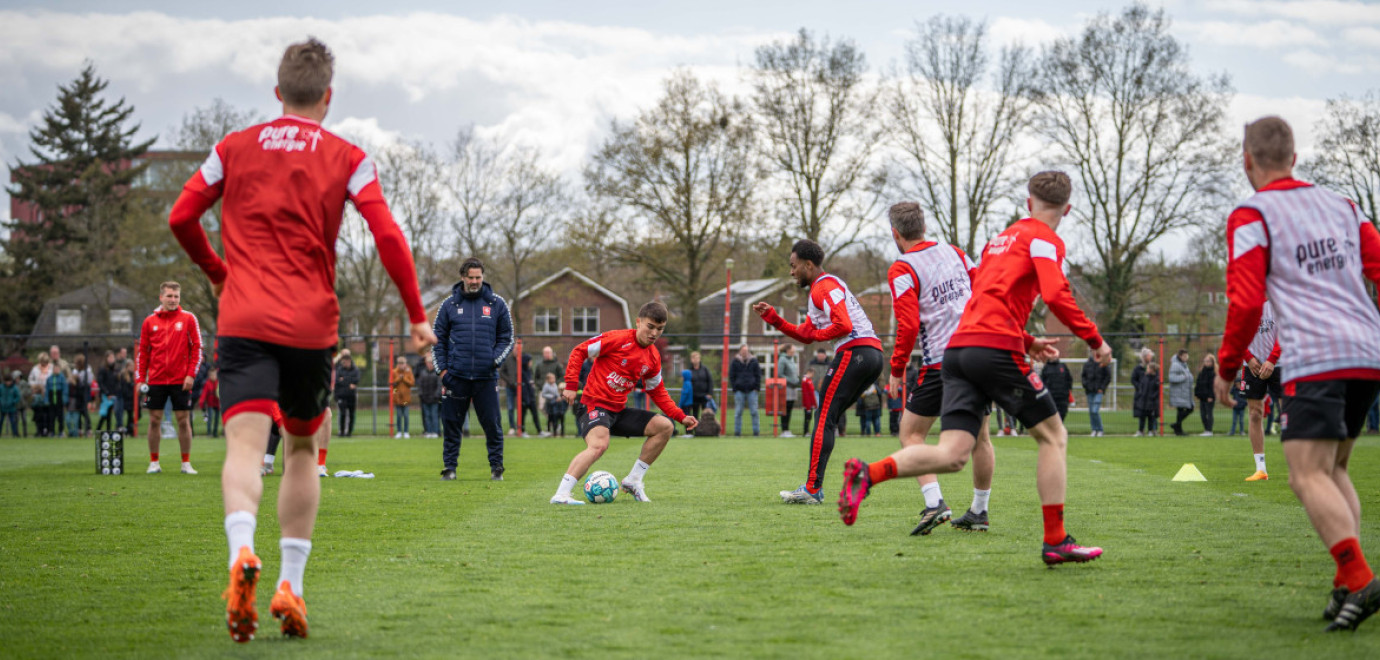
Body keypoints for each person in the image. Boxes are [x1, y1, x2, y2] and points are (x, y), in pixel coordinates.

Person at [167, 37, 433, 642]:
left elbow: (181, 216)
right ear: (329, 97)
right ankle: (291, 584)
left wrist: (215, 270)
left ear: (278, 92)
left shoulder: (232, 148)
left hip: (244, 317)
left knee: (243, 446)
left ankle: (241, 551)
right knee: (303, 450)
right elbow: (388, 235)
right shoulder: (348, 155)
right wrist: (416, 315)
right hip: (312, 325)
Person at [840, 171, 1111, 566]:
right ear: (1067, 209)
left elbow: (984, 298)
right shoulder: (1043, 239)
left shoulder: (999, 242)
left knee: (952, 453)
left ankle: (867, 474)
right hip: (993, 349)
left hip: (958, 352)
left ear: (1027, 201)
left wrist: (1028, 340)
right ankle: (1055, 540)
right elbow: (1054, 293)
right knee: (1053, 437)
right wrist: (1094, 339)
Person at [1213, 116, 1380, 631]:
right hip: (1367, 351)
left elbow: (1244, 302)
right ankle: (1343, 583)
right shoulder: (1345, 206)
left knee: (1306, 475)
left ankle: (1361, 579)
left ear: (1247, 160)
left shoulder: (1252, 214)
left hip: (1315, 357)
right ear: (1295, 158)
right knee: (1333, 472)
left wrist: (1226, 367)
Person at [838, 200, 994, 533]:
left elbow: (907, 326)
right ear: (923, 225)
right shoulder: (956, 253)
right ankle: (979, 511)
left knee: (910, 433)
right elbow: (984, 292)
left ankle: (934, 502)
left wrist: (896, 370)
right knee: (981, 437)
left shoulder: (903, 268)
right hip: (979, 353)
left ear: (895, 233)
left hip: (943, 363)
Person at [752, 238, 884, 504]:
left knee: (823, 417)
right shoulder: (822, 288)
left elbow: (844, 326)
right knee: (827, 417)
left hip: (855, 352)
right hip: (872, 355)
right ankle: (815, 487)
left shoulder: (823, 287)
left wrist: (824, 336)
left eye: (793, 266)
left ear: (808, 265)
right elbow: (805, 335)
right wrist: (775, 320)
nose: (791, 272)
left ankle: (812, 489)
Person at [549, 301, 698, 504]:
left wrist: (680, 416)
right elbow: (579, 351)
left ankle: (633, 481)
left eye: (660, 329)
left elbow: (657, 391)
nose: (654, 333)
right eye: (650, 326)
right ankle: (562, 494)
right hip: (593, 405)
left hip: (617, 411)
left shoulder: (653, 357)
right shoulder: (617, 339)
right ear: (638, 322)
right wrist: (571, 384)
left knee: (664, 427)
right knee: (599, 445)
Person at [433, 257, 513, 482]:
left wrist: (494, 360)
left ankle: (496, 468)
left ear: (483, 277)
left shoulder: (497, 304)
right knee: (451, 426)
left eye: (479, 277)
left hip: (486, 378)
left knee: (493, 425)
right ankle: (449, 468)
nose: (475, 281)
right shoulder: (449, 305)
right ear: (463, 278)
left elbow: (507, 337)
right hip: (455, 378)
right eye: (471, 277)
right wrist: (443, 372)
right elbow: (436, 340)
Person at [136, 282, 204, 474]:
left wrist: (191, 374)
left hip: (180, 380)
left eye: (176, 296)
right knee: (154, 420)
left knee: (183, 420)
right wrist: (140, 378)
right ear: (161, 297)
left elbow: (197, 349)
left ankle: (186, 463)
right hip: (156, 379)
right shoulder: (149, 321)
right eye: (169, 296)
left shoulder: (189, 318)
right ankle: (154, 462)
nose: (173, 300)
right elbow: (142, 352)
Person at [729, 345, 761, 436]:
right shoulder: (735, 362)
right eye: (743, 350)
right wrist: (734, 388)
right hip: (739, 390)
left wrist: (756, 388)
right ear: (740, 351)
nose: (745, 352)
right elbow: (731, 376)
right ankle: (737, 432)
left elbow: (758, 375)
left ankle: (756, 432)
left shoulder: (754, 361)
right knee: (738, 412)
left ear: (748, 351)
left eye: (746, 351)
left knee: (754, 411)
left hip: (752, 390)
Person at [1081, 352, 1110, 437]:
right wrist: (1085, 385)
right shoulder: (1087, 364)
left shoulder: (1103, 363)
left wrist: (1102, 388)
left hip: (1098, 391)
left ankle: (1100, 429)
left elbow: (1108, 377)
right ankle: (1094, 429)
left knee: (1095, 410)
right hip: (1089, 391)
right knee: (1091, 411)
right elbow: (1083, 376)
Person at [1168, 349, 1195, 436]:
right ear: (1180, 356)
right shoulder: (1175, 365)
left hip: (1184, 393)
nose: (1186, 357)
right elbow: (1171, 378)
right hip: (1179, 393)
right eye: (1184, 356)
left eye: (1187, 356)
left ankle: (1177, 427)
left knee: (1187, 409)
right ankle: (1178, 428)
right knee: (1185, 410)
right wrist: (1183, 377)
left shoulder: (1184, 365)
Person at [333, 350, 359, 437]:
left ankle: (349, 432)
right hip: (342, 395)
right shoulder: (339, 369)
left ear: (349, 361)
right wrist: (349, 383)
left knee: (351, 414)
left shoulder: (355, 369)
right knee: (342, 414)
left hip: (351, 396)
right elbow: (337, 381)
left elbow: (356, 380)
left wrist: (344, 379)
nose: (345, 363)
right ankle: (342, 432)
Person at [777, 345, 800, 437]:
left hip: (793, 388)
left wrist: (797, 380)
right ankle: (784, 430)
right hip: (787, 387)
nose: (794, 352)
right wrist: (790, 381)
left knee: (790, 408)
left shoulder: (791, 359)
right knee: (785, 409)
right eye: (793, 350)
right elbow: (780, 374)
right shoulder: (782, 359)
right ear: (788, 350)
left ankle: (787, 430)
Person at [417, 354, 441, 439]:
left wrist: (436, 395)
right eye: (428, 362)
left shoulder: (437, 373)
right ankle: (428, 431)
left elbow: (439, 386)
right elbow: (420, 385)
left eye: (431, 362)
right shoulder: (422, 373)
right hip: (425, 399)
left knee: (434, 416)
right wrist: (421, 395)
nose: (429, 364)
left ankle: (435, 432)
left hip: (434, 399)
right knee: (427, 416)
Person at [68, 354, 93, 437]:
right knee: (78, 412)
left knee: (84, 412)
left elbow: (88, 382)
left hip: (84, 394)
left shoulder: (87, 371)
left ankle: (88, 429)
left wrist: (79, 379)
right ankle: (79, 429)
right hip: (77, 394)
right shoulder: (75, 371)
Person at [1042, 356, 1073, 421]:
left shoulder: (1063, 366)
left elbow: (1069, 379)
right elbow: (1043, 382)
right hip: (1051, 396)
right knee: (1051, 415)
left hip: (1063, 396)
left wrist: (1068, 390)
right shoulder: (1046, 368)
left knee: (1062, 413)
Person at [97, 351, 121, 432]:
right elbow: (100, 382)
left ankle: (108, 431)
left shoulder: (116, 370)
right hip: (105, 396)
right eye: (110, 357)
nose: (111, 359)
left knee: (110, 414)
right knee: (105, 414)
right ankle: (99, 429)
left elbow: (117, 382)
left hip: (113, 395)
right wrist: (107, 393)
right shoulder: (103, 370)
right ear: (106, 359)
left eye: (112, 357)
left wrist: (115, 393)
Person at [391, 356, 414, 439]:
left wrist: (404, 378)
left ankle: (406, 432)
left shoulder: (409, 371)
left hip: (406, 399)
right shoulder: (394, 372)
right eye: (400, 364)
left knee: (406, 415)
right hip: (397, 398)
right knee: (399, 415)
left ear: (405, 364)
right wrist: (398, 378)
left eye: (403, 363)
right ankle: (399, 432)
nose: (402, 365)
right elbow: (391, 383)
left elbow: (412, 383)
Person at [1134, 364, 1160, 435]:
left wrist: (1152, 397)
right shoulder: (1144, 377)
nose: (1147, 370)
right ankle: (1140, 430)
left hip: (1151, 402)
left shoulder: (1156, 379)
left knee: (1151, 417)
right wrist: (1141, 394)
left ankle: (1150, 430)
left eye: (1148, 368)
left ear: (1152, 370)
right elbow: (1141, 387)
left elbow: (1157, 391)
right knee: (1142, 417)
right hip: (1143, 401)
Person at [686, 351, 714, 420]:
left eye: (697, 358)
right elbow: (686, 383)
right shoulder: (689, 371)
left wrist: (710, 393)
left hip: (704, 395)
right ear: (691, 360)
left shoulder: (705, 369)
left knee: (706, 414)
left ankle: (705, 428)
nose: (696, 360)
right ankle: (696, 429)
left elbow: (710, 381)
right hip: (693, 396)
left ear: (699, 359)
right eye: (694, 358)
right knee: (695, 414)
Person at [1195, 354, 1217, 436]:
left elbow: (1213, 386)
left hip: (1209, 397)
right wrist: (1197, 393)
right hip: (1202, 397)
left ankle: (1209, 430)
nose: (1206, 363)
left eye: (1208, 361)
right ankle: (1206, 429)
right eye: (1205, 361)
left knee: (1209, 413)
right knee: (1202, 414)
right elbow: (1198, 383)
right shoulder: (1202, 372)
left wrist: (1211, 396)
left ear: (1212, 362)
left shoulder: (1213, 373)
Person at [201, 367, 222, 438]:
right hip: (210, 404)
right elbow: (204, 394)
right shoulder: (207, 384)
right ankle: (209, 433)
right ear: (209, 376)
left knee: (216, 418)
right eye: (212, 375)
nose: (213, 377)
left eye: (215, 375)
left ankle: (215, 433)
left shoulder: (219, 383)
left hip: (217, 404)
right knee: (209, 418)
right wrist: (202, 403)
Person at [0, 373, 20, 437]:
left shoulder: (14, 388)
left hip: (12, 408)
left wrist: (13, 402)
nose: (8, 383)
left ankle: (15, 434)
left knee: (13, 422)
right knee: (1, 421)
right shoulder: (1, 387)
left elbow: (18, 397)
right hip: (2, 407)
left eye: (9, 381)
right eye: (7, 381)